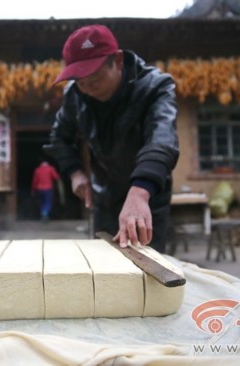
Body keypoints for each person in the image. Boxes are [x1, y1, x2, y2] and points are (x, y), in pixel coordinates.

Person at [44, 24, 179, 253]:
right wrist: (75, 172)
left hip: (146, 195)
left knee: (146, 271)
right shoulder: (75, 94)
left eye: (94, 79)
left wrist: (140, 192)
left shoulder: (155, 87)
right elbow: (59, 138)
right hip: (103, 196)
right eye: (80, 82)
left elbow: (162, 138)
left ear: (117, 61)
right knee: (105, 268)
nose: (87, 89)